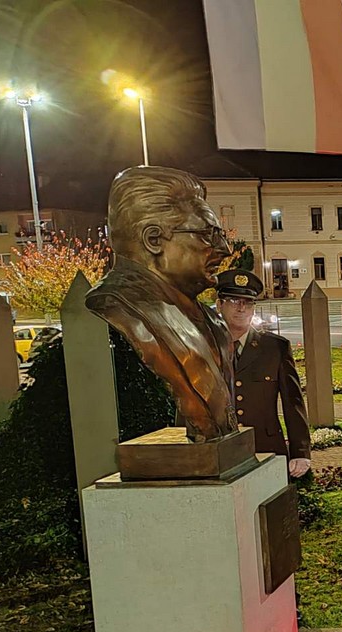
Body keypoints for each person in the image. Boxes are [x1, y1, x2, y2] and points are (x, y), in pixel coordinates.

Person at [85, 166, 236, 442]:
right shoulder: (124, 309)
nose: (224, 249)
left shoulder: (210, 321)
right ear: (153, 240)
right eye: (207, 235)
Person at [215, 267, 311, 478]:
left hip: (266, 446)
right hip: (217, 449)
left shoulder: (274, 348)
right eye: (233, 301)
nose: (241, 308)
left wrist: (300, 451)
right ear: (219, 304)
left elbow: (292, 401)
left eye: (247, 302)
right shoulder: (204, 346)